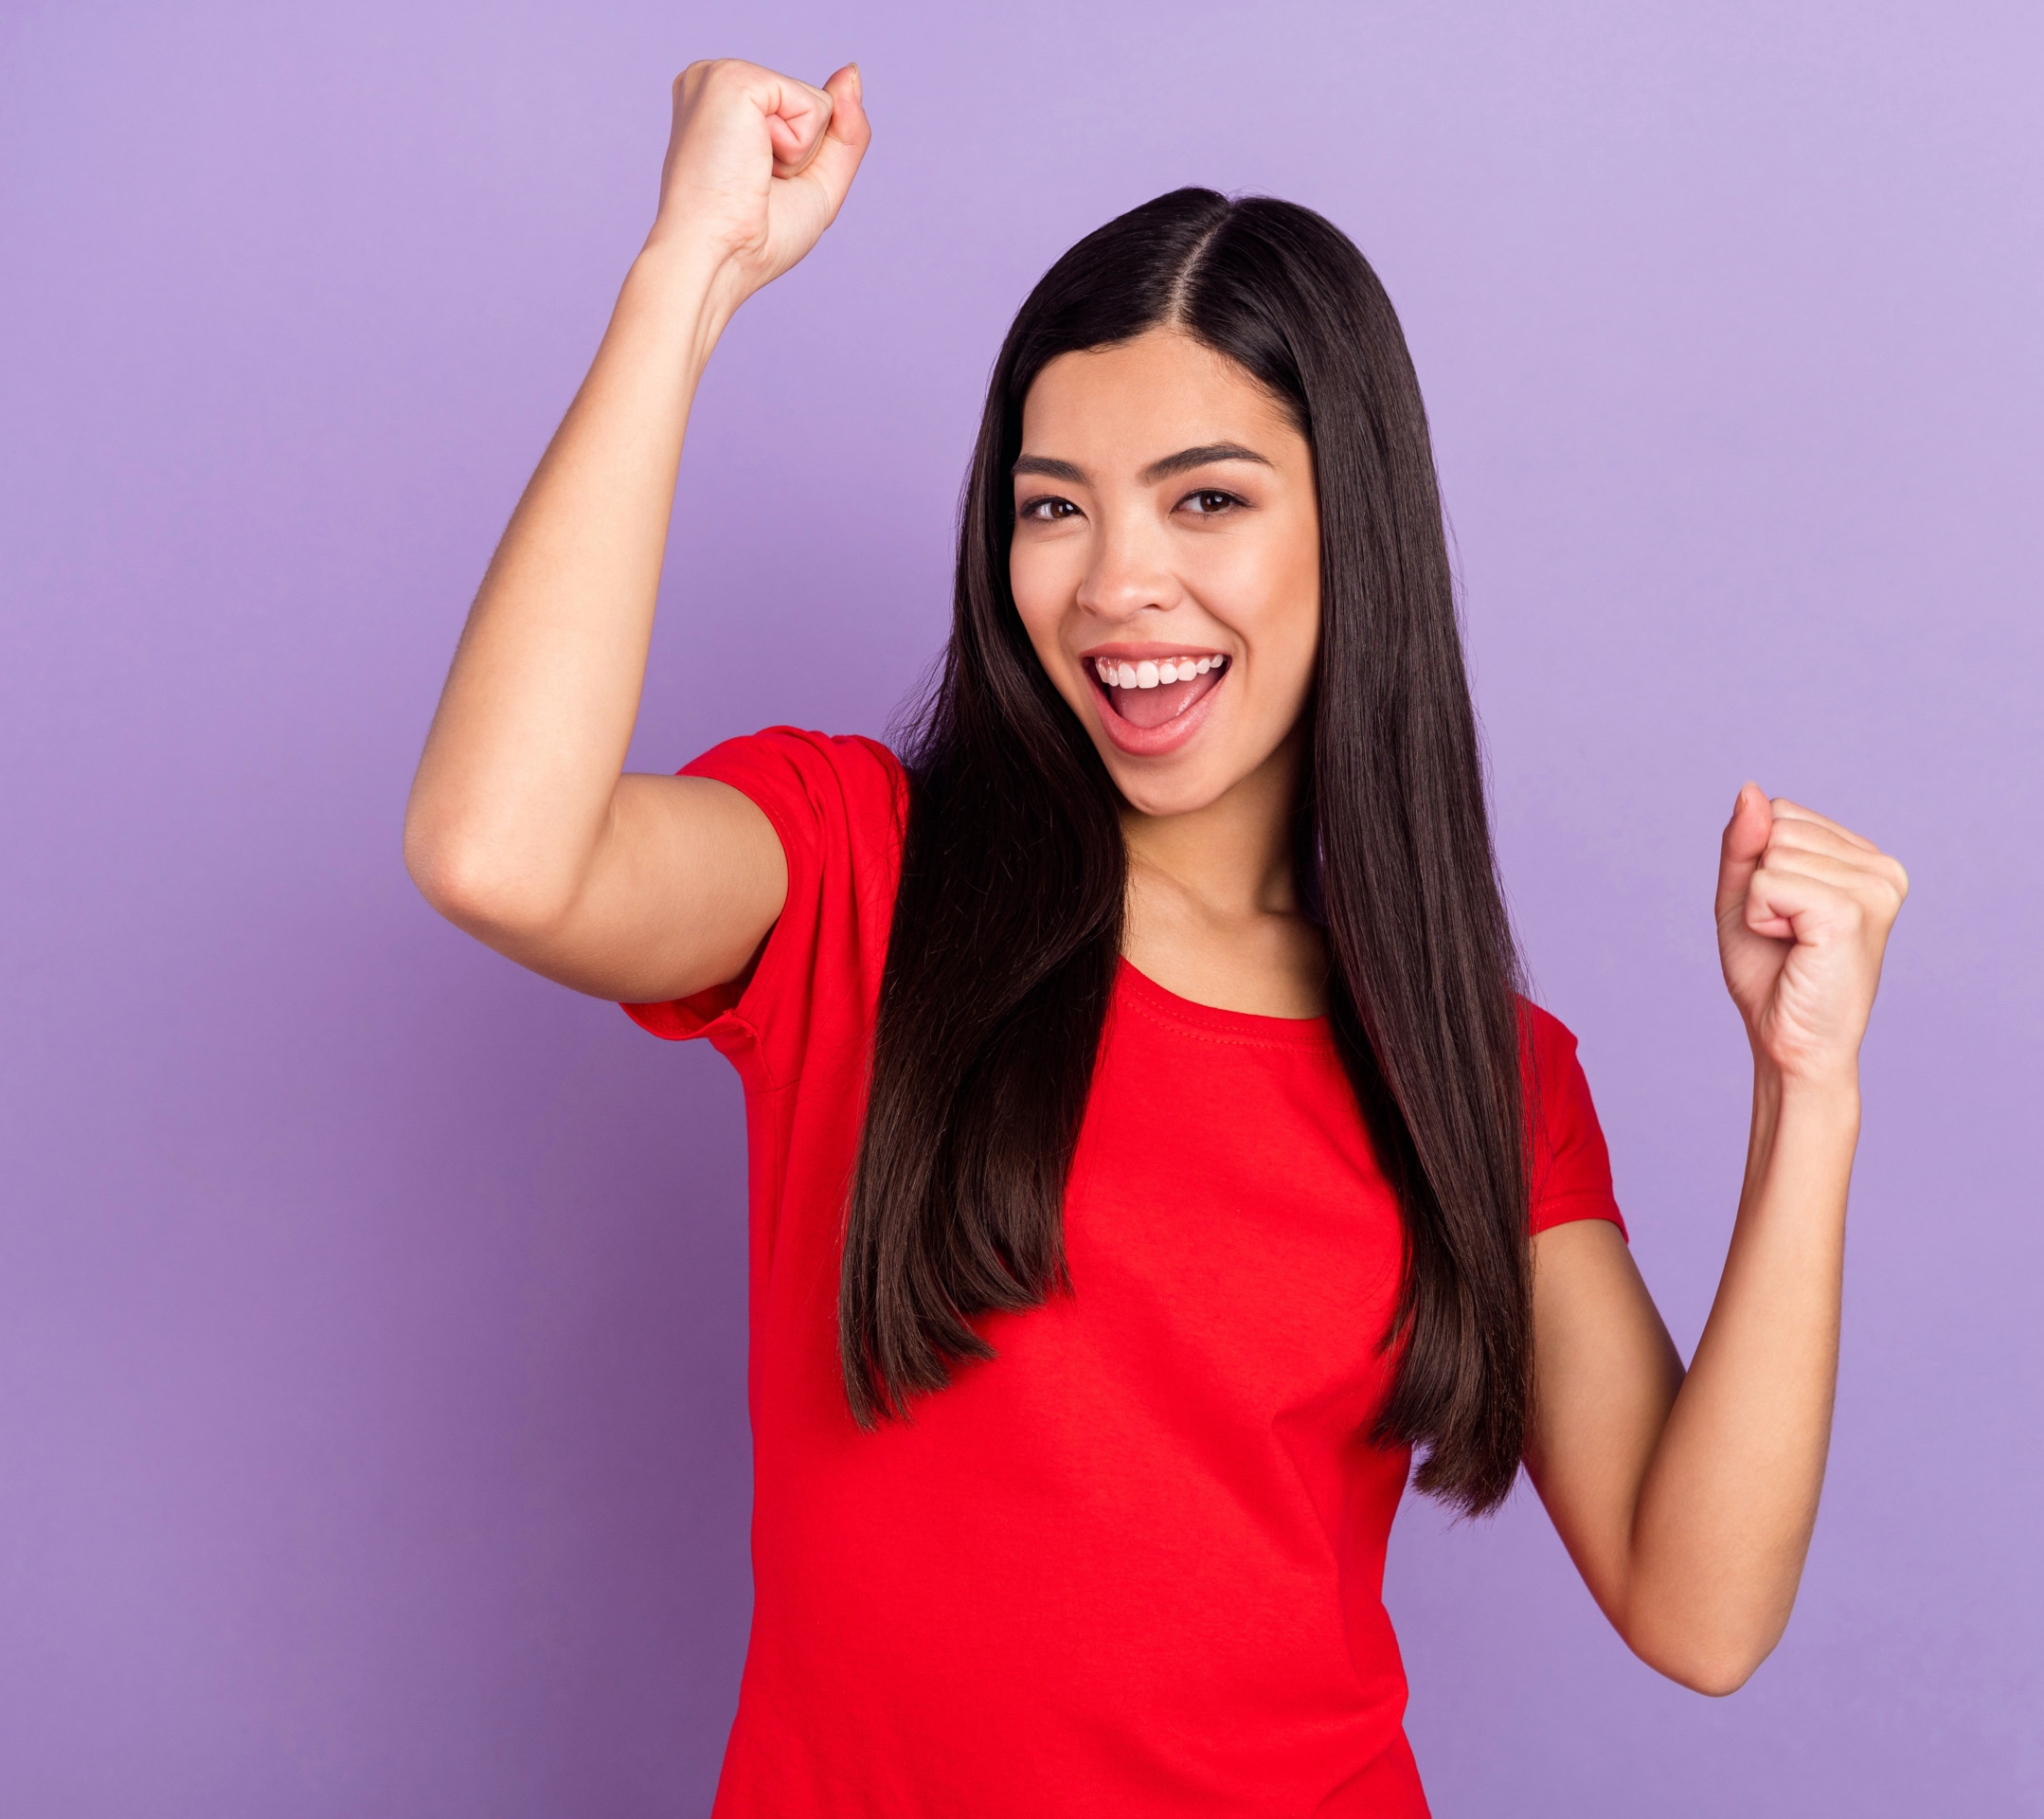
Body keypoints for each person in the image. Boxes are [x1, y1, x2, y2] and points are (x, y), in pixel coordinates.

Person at [404, 56, 1909, 1819]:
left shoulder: (1477, 1064)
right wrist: (689, 277)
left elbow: (1700, 1606)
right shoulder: (853, 873)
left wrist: (1808, 1094)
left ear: (1357, 530)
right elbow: (497, 850)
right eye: (1056, 504)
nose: (1116, 582)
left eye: (1206, 499)